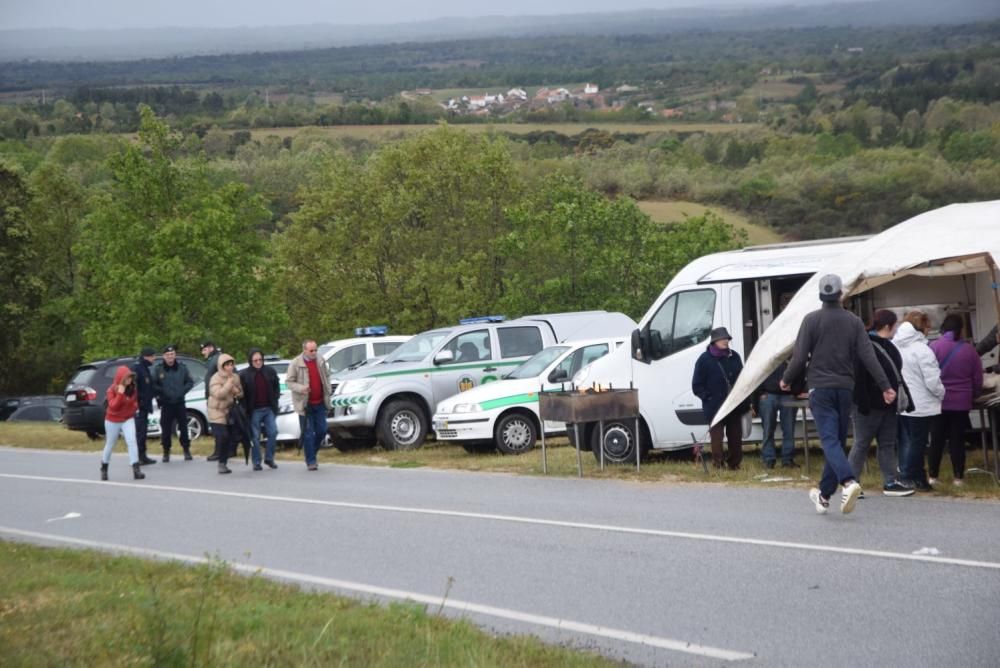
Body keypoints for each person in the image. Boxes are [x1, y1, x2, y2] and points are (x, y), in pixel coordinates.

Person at [781, 275, 895, 515]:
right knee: (838, 443)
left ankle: (848, 482)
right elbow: (869, 357)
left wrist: (787, 379)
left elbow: (800, 357)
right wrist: (885, 386)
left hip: (820, 389)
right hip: (845, 389)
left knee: (829, 441)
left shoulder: (811, 320)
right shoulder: (853, 322)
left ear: (821, 295)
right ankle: (823, 496)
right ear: (841, 294)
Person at [848, 309, 914, 497]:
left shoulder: (885, 345)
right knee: (862, 443)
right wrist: (863, 403)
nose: (896, 330)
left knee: (886, 443)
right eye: (895, 326)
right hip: (868, 405)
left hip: (886, 404)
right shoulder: (865, 345)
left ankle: (890, 481)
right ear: (888, 326)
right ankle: (852, 483)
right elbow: (859, 377)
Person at [928, 314, 983, 486]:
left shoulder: (933, 347)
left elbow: (928, 374)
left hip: (938, 402)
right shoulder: (969, 350)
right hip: (961, 402)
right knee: (957, 440)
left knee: (936, 439)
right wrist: (974, 394)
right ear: (960, 330)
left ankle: (933, 477)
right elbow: (978, 378)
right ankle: (958, 478)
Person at [894, 312, 946, 491]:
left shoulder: (896, 346)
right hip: (921, 404)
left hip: (903, 404)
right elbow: (932, 380)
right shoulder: (923, 350)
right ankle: (908, 476)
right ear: (922, 328)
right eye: (928, 326)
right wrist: (941, 393)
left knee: (909, 442)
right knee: (918, 443)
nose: (929, 330)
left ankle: (919, 479)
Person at [692, 327, 747, 470]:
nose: (725, 341)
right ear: (714, 341)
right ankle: (718, 464)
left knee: (735, 436)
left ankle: (734, 464)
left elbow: (742, 379)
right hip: (714, 406)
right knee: (717, 438)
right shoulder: (704, 360)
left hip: (733, 404)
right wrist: (708, 398)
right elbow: (696, 385)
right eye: (722, 338)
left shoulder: (735, 356)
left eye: (727, 338)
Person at [286, 340, 332, 471]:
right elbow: (289, 382)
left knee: (322, 431)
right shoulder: (295, 363)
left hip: (320, 402)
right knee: (308, 433)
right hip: (305, 404)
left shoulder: (320, 360)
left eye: (316, 350)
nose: (314, 353)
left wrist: (328, 389)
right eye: (311, 350)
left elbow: (326, 376)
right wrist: (301, 388)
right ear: (304, 350)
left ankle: (311, 453)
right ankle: (311, 461)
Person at [100, 366, 145, 481]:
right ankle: (104, 468)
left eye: (130, 377)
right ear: (121, 378)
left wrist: (134, 408)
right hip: (112, 420)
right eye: (127, 377)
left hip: (127, 419)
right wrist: (120, 394)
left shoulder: (132, 388)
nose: (130, 379)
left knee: (132, 441)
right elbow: (113, 406)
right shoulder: (111, 390)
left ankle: (136, 469)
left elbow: (134, 403)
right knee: (110, 444)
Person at [151, 345, 195, 462]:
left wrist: (182, 391)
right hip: (166, 404)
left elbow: (190, 382)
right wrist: (162, 392)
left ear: (175, 355)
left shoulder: (182, 368)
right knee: (166, 429)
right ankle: (166, 452)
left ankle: (186, 450)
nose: (170, 356)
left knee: (184, 428)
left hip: (180, 403)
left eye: (172, 354)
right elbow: (154, 384)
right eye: (167, 355)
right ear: (164, 356)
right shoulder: (158, 369)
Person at [755, 361, 802, 469]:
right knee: (768, 429)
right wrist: (761, 393)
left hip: (787, 395)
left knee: (788, 429)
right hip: (768, 394)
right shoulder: (765, 352)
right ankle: (769, 459)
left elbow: (800, 369)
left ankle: (787, 460)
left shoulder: (793, 350)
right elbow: (757, 373)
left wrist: (795, 390)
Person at [240, 348, 281, 471]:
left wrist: (275, 399)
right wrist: (245, 409)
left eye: (260, 359)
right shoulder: (244, 375)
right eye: (255, 360)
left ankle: (269, 458)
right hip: (254, 410)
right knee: (255, 437)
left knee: (273, 432)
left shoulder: (270, 371)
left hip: (269, 408)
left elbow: (276, 387)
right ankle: (256, 461)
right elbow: (242, 394)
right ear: (250, 361)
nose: (258, 362)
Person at [208, 354, 243, 474]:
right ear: (221, 366)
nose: (230, 367)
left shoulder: (236, 377)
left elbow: (240, 393)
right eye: (227, 365)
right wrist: (229, 384)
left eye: (231, 364)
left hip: (230, 411)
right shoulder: (215, 378)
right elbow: (218, 394)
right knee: (222, 436)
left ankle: (223, 462)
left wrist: (236, 391)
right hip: (216, 411)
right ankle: (221, 462)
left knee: (230, 437)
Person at [131, 346, 158, 466]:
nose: (154, 358)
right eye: (152, 356)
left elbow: (148, 387)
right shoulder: (137, 369)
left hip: (145, 406)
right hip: (139, 407)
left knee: (143, 432)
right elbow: (133, 388)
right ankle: (138, 457)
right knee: (139, 432)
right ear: (146, 357)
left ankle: (143, 455)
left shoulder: (144, 368)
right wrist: (138, 402)